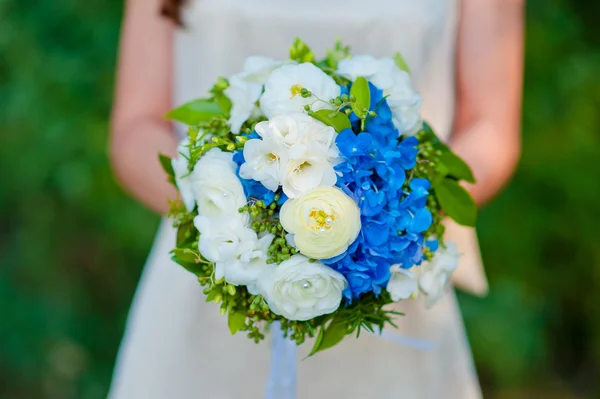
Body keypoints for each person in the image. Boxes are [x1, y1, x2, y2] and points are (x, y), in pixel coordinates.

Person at [108, 0, 524, 397]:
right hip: (209, 285)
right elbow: (136, 128)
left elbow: (490, 131)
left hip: (389, 280)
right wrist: (232, 221)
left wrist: (390, 214)